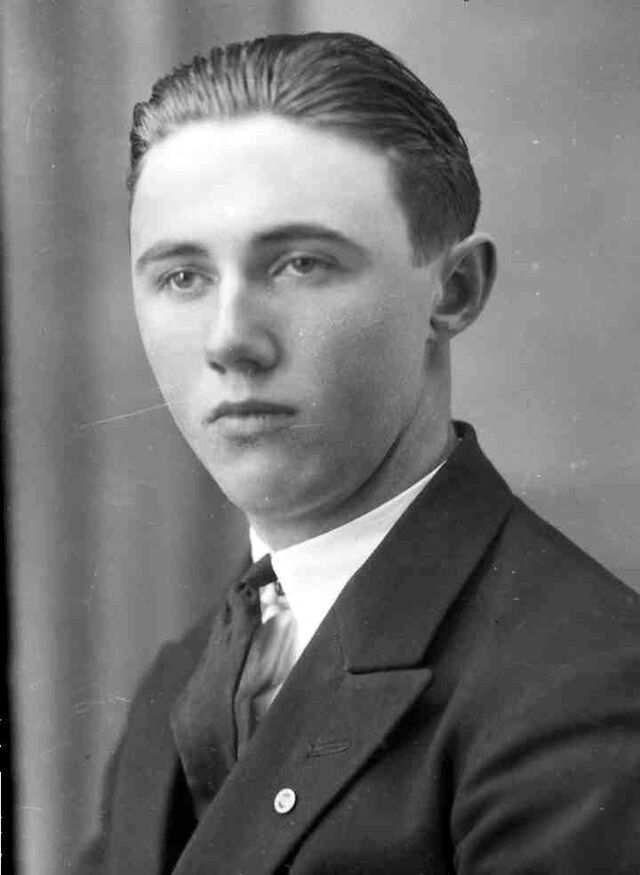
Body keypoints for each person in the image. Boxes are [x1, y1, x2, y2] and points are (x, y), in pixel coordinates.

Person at [76, 32, 640, 874]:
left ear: (453, 290)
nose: (230, 340)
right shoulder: (180, 680)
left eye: (300, 264)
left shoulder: (583, 692)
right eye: (183, 277)